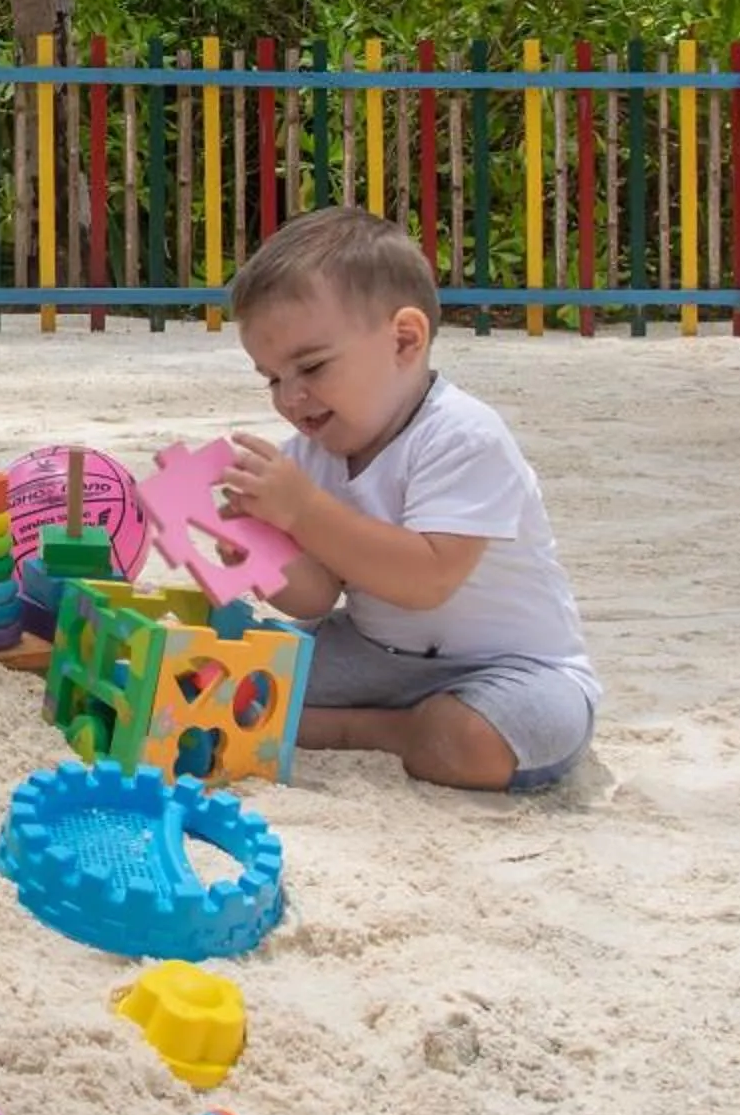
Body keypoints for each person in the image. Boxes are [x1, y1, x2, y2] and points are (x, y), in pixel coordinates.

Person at [215, 206, 598, 792]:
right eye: (270, 378)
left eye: (311, 366)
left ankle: (374, 730)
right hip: (377, 653)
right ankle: (396, 726)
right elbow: (315, 594)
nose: (291, 397)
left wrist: (303, 511)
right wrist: (254, 551)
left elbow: (427, 580)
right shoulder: (309, 454)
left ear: (404, 340)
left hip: (508, 668)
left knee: (482, 739)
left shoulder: (463, 435)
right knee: (238, 677)